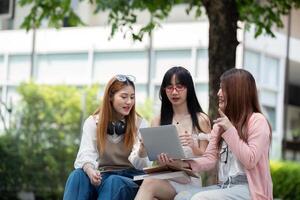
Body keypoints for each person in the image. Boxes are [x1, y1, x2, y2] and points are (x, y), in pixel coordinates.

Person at [159, 68, 273, 200]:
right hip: (225, 186)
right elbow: (210, 159)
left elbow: (250, 160)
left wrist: (230, 130)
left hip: (249, 190)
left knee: (200, 198)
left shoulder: (257, 121)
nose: (219, 93)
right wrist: (184, 164)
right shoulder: (220, 125)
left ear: (237, 92)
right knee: (182, 196)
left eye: (223, 89)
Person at [63, 75, 151, 200]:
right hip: (104, 176)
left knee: (113, 182)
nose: (129, 102)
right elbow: (86, 154)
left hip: (131, 178)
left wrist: (142, 152)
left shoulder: (141, 124)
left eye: (132, 97)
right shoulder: (93, 123)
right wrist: (91, 171)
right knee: (77, 176)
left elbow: (142, 166)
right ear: (110, 97)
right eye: (124, 97)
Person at [135, 66, 211, 200]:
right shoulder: (157, 120)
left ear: (189, 89)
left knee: (149, 184)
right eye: (169, 87)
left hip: (188, 182)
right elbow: (143, 155)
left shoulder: (200, 119)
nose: (174, 92)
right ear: (164, 90)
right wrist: (143, 146)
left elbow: (208, 159)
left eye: (179, 87)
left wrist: (194, 147)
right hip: (163, 177)